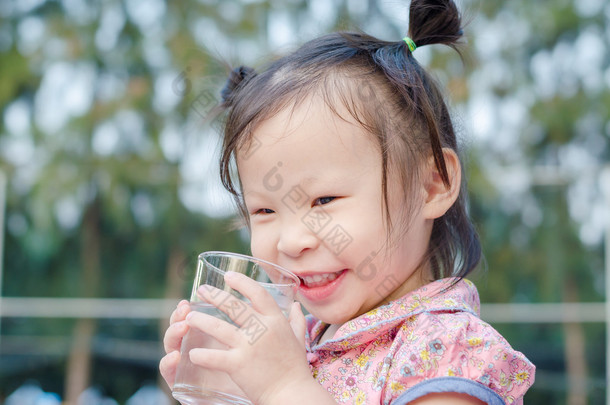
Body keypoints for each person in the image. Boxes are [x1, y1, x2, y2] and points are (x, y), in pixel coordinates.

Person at [159, 0, 536, 403]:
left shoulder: (447, 352)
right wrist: (230, 393)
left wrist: (284, 388)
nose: (290, 241)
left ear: (432, 185)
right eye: (264, 210)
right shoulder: (295, 343)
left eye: (323, 199)